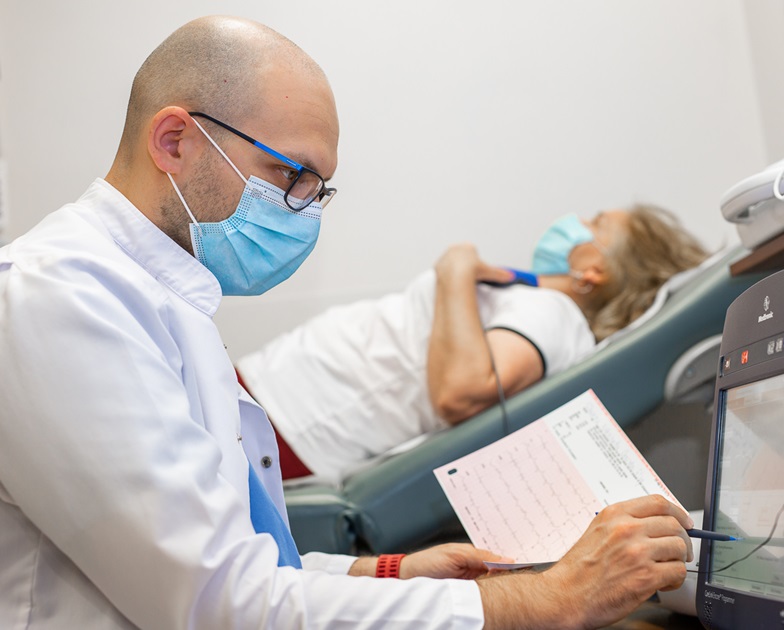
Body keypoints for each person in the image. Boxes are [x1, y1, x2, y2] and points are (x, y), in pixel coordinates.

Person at [0, 15, 694, 629]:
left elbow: (239, 565)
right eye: (292, 176)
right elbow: (223, 603)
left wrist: (387, 573)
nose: (305, 211)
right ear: (175, 140)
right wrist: (544, 600)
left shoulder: (163, 299)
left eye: (318, 189)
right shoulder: (59, 298)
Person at [236, 206, 708, 485]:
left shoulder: (554, 314)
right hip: (278, 404)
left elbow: (461, 391)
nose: (578, 222)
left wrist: (456, 269)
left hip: (289, 422)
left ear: (595, 272)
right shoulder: (538, 303)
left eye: (595, 224)